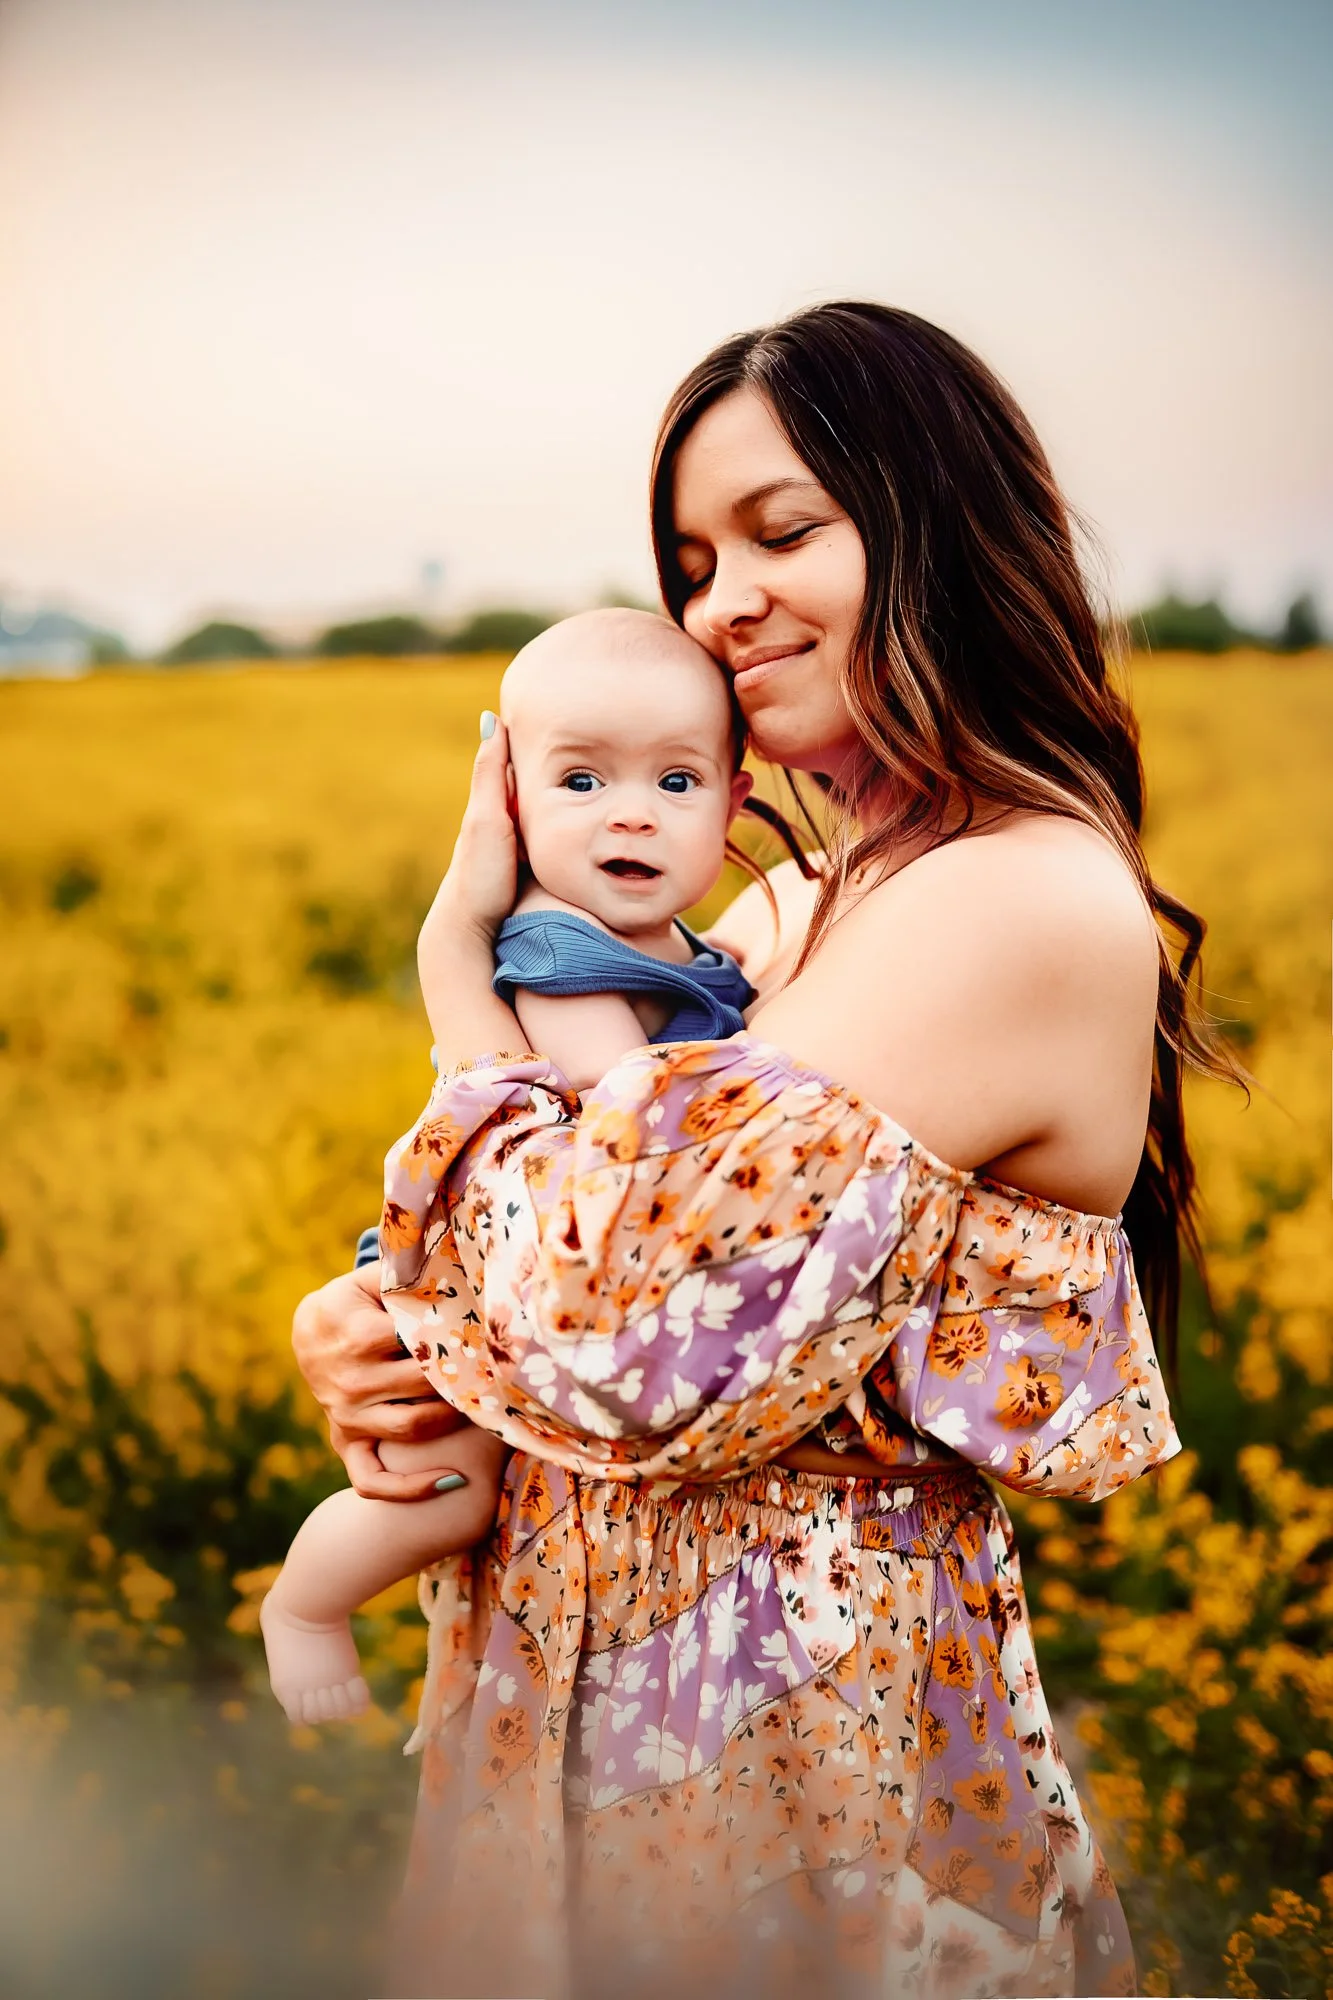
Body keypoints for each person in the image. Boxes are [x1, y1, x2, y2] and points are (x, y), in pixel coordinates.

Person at [292, 302, 1232, 1999]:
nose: (722, 602)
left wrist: (453, 978)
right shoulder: (792, 903)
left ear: (938, 524)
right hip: (592, 1724)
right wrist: (363, 1325)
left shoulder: (1009, 897)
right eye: (689, 561)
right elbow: (557, 1219)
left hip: (801, 1773)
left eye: (782, 531)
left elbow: (599, 1326)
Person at [261, 608, 762, 1723]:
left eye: (676, 782)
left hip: (559, 1282)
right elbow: (627, 1124)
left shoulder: (694, 950)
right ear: (509, 802)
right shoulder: (557, 948)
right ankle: (303, 1607)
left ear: (733, 807)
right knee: (448, 1493)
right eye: (580, 781)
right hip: (481, 1280)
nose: (631, 810)